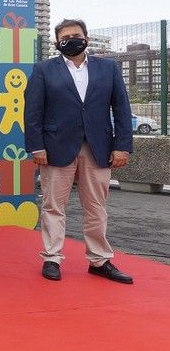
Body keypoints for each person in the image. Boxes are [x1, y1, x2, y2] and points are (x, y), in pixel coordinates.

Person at [25, 18, 133, 283]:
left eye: (76, 35)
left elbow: (121, 108)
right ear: (57, 43)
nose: (71, 40)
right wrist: (36, 146)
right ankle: (52, 258)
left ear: (86, 37)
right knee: (53, 205)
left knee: (96, 206)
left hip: (98, 148)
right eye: (65, 37)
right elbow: (33, 111)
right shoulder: (43, 70)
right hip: (55, 148)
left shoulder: (107, 68)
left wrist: (122, 146)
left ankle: (99, 260)